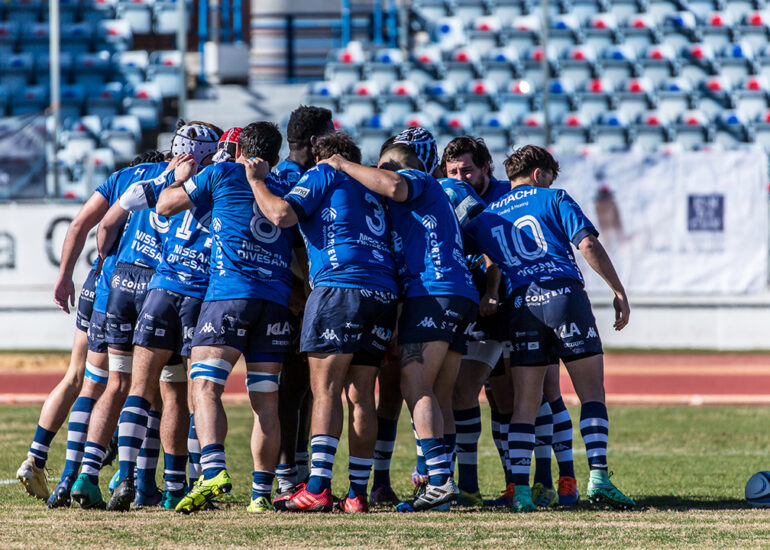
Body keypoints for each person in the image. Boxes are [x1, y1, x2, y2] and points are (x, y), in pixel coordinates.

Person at [464, 145, 635, 512]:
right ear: (539, 175)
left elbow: (481, 257)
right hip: (563, 296)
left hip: (522, 305)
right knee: (591, 394)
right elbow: (587, 243)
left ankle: (522, 492)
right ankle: (599, 480)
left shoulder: (488, 216)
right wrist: (618, 290)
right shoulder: (553, 197)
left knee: (525, 405)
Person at [319, 128, 479, 512]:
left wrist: (341, 164)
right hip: (458, 293)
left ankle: (438, 480)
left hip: (433, 291)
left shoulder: (416, 178)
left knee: (416, 387)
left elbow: (394, 184)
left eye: (381, 165)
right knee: (438, 394)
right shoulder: (430, 199)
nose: (374, 171)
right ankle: (442, 486)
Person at [245, 131, 399, 513]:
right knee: (362, 393)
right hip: (382, 292)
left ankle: (316, 487)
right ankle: (358, 494)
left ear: (323, 157)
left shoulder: (323, 173)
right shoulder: (371, 187)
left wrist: (256, 182)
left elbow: (280, 215)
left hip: (339, 287)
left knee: (326, 390)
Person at [155, 121, 296, 514]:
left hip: (230, 297)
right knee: (265, 400)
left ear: (239, 152)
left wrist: (177, 177)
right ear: (276, 155)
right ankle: (261, 495)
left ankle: (213, 468)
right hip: (275, 302)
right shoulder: (283, 187)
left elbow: (165, 206)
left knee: (204, 386)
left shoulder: (222, 172)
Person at [15, 151, 162, 504]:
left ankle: (49, 465)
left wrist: (65, 276)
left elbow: (81, 224)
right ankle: (141, 481)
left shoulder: (120, 178)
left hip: (99, 283)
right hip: (140, 285)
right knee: (149, 388)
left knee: (80, 379)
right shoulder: (166, 179)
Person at [100, 128, 221, 511]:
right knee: (188, 394)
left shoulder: (161, 182)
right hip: (195, 292)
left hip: (154, 289)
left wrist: (168, 178)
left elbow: (118, 215)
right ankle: (175, 486)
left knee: (134, 387)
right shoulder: (221, 178)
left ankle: (124, 477)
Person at [272, 106, 334, 499]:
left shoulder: (278, 173)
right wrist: (301, 287)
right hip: (292, 295)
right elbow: (288, 239)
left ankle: (292, 468)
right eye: (329, 135)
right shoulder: (297, 178)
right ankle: (285, 474)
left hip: (288, 291)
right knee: (293, 387)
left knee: (303, 388)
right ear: (314, 142)